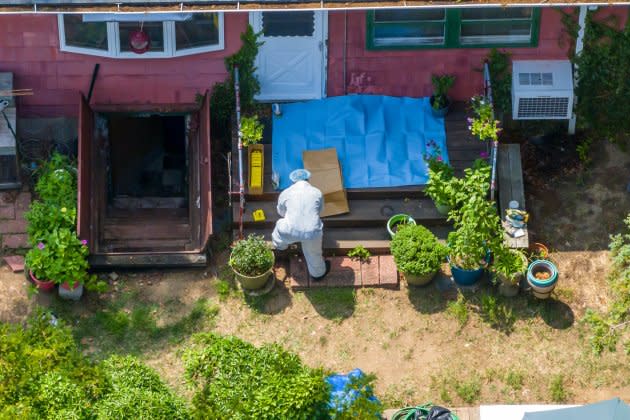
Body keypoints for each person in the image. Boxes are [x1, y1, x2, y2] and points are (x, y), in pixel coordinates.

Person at [272, 169, 330, 281]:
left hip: (289, 231)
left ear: (292, 181)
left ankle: (281, 246)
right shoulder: (317, 192)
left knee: (279, 226)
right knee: (314, 253)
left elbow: (281, 212)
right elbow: (320, 210)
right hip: (312, 232)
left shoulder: (285, 193)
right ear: (308, 179)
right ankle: (318, 274)